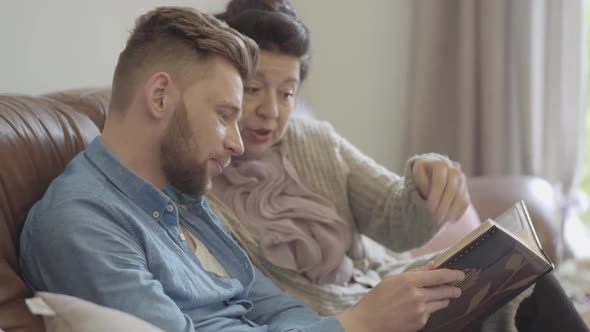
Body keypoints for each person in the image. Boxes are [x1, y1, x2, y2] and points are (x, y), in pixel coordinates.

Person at [18, 6, 468, 332]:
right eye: (223, 114)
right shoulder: (80, 223)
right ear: (159, 98)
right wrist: (357, 325)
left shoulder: (182, 200)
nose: (237, 142)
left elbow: (276, 307)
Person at [209, 1, 590, 331]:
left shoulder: (314, 140)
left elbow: (394, 216)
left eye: (287, 93)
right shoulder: (201, 189)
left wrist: (424, 181)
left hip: (398, 292)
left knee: (527, 281)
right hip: (348, 322)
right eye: (253, 89)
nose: (271, 112)